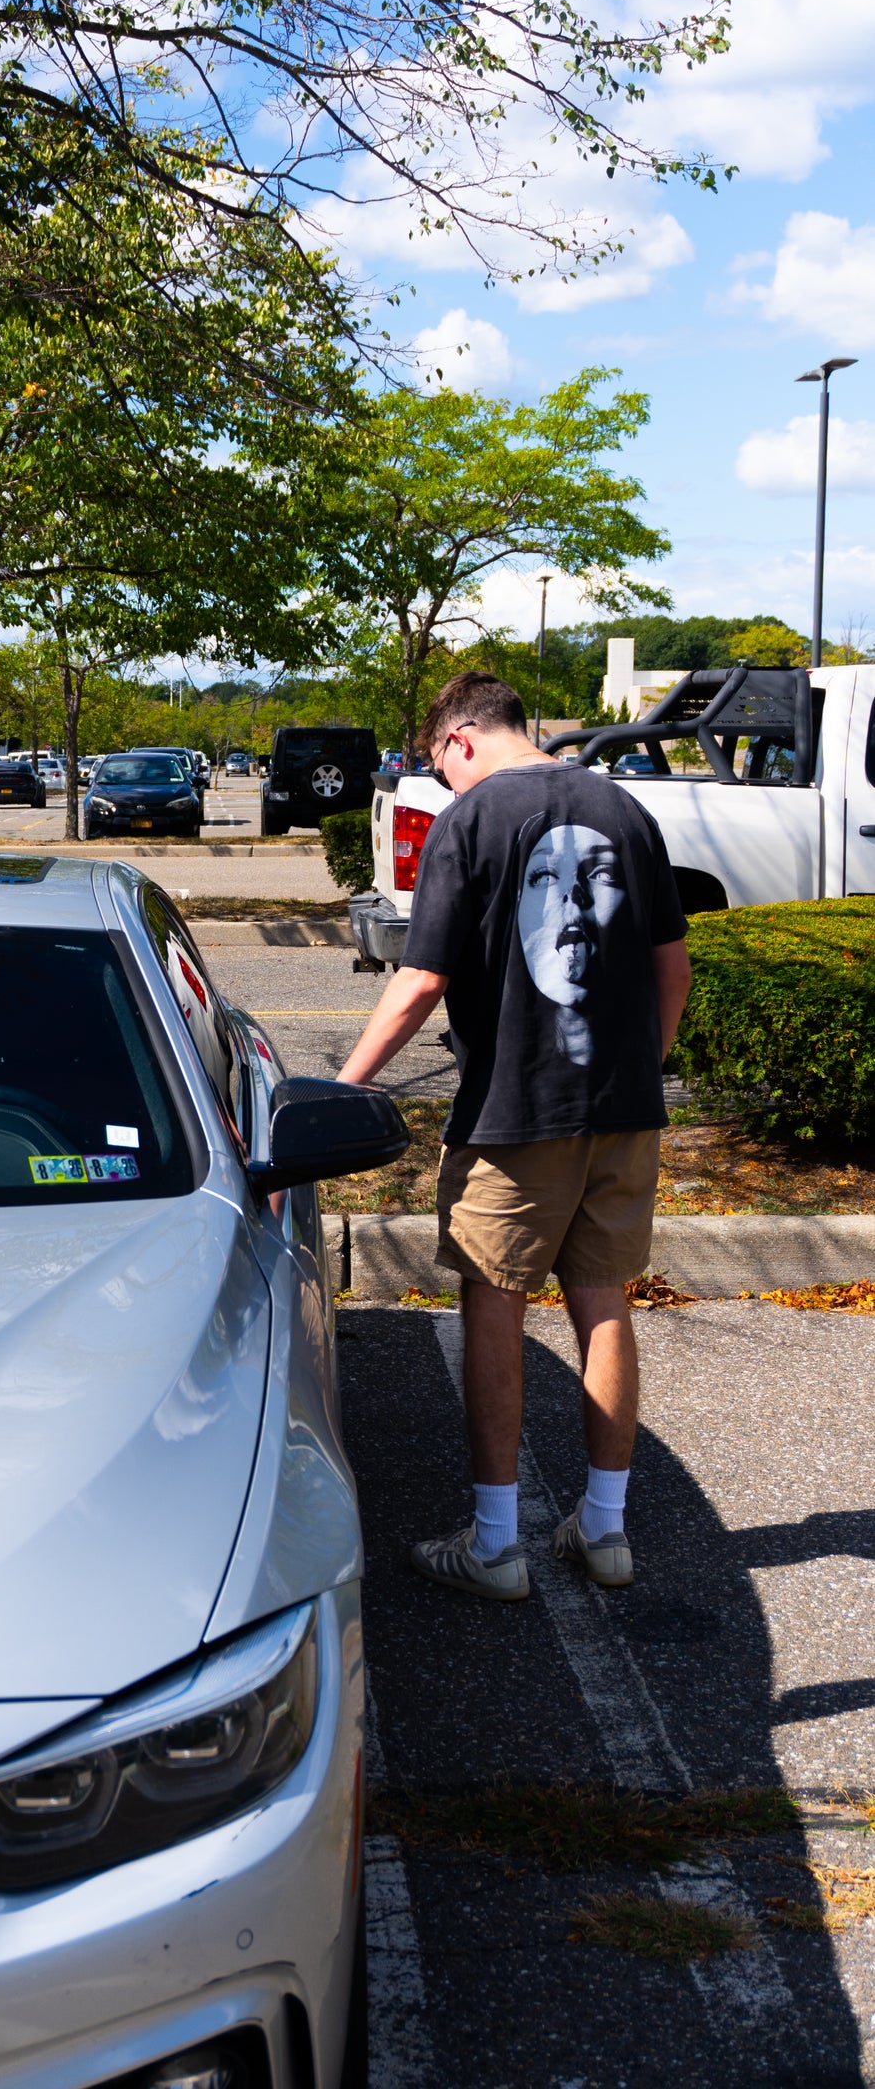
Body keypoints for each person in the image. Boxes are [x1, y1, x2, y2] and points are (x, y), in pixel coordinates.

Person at [339, 671, 692, 1602]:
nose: (443, 782)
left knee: (493, 1302)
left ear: (459, 739)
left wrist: (338, 1087)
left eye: (436, 765)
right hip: (622, 1110)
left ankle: (496, 1543)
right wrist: (637, 1070)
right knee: (602, 1301)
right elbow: (672, 965)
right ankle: (605, 1529)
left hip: (514, 1114)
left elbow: (418, 982)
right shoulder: (623, 810)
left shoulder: (471, 821)